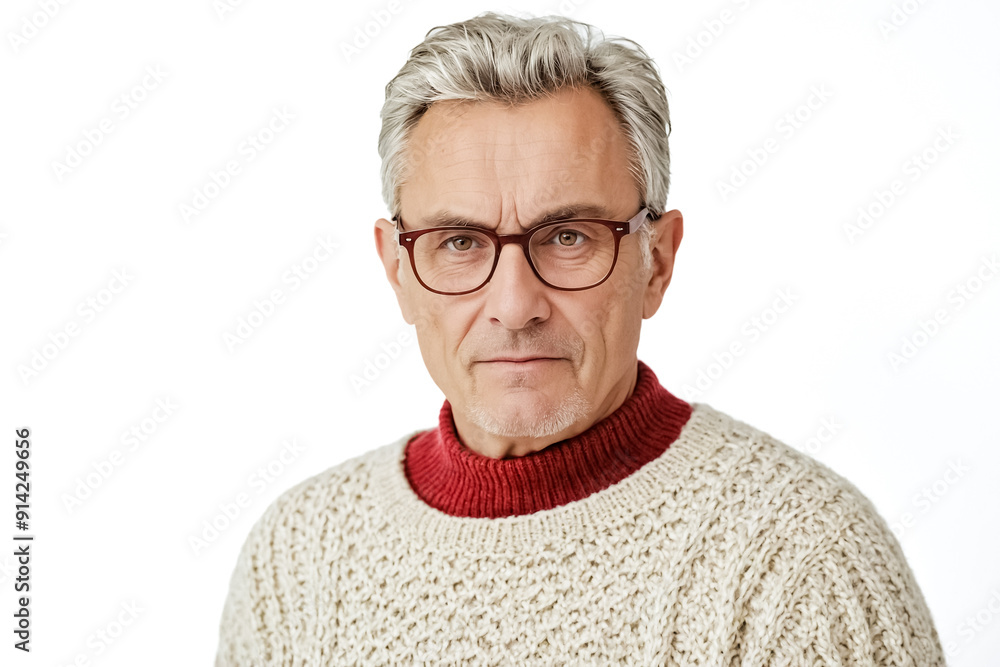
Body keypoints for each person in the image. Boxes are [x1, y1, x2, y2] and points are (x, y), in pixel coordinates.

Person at [215, 12, 946, 665]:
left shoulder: (801, 558)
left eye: (568, 235)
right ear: (397, 268)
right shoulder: (298, 555)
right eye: (460, 241)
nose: (514, 304)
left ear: (655, 260)